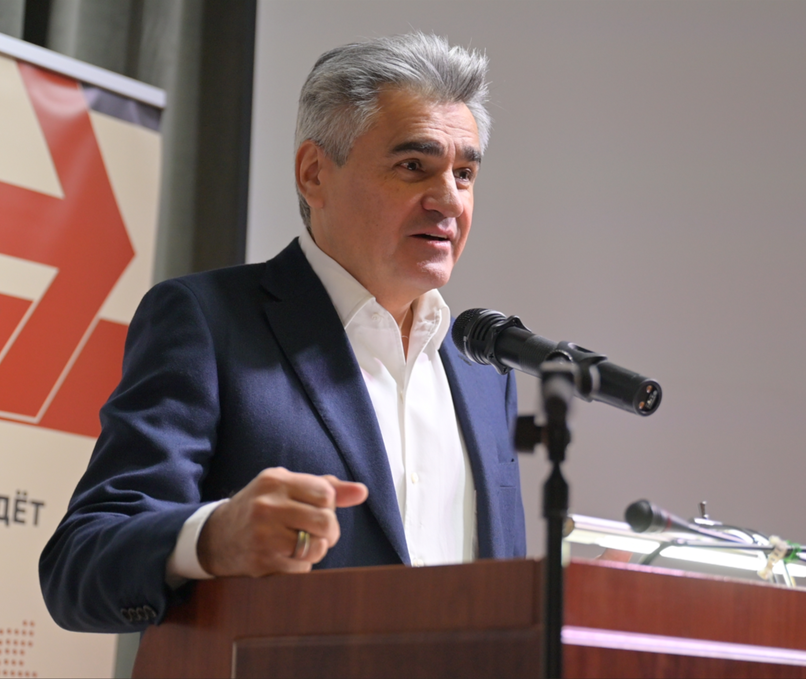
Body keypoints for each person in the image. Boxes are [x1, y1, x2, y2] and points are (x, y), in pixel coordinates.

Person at [39, 32, 527, 633]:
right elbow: (79, 563)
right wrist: (211, 538)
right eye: (412, 167)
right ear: (314, 173)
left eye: (465, 173)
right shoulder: (208, 322)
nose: (449, 201)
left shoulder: (484, 373)